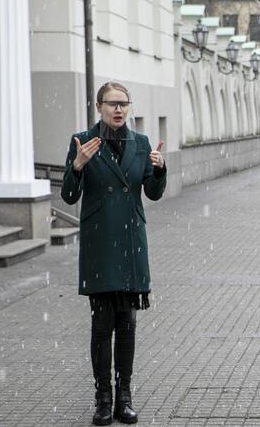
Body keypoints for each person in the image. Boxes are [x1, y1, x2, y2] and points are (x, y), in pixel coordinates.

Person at [61, 81, 167, 426]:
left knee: (127, 323)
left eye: (123, 103)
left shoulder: (141, 143)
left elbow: (152, 192)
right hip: (100, 242)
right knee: (102, 324)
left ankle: (125, 397)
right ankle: (103, 399)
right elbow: (68, 196)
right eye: (112, 104)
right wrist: (77, 166)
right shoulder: (83, 140)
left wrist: (160, 169)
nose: (119, 110)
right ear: (98, 106)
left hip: (131, 240)